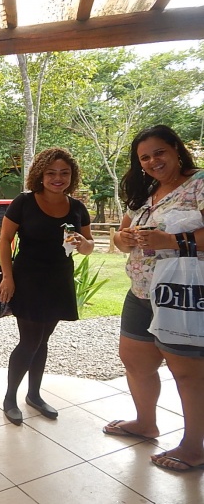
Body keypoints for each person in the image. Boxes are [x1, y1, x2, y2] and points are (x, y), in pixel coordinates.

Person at [106, 124, 204, 472]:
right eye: (144, 158)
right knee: (135, 361)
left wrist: (173, 242)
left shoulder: (199, 184)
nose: (152, 161)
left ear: (176, 148)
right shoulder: (146, 191)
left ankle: (194, 446)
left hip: (181, 295)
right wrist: (123, 239)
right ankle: (145, 423)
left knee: (187, 373)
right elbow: (120, 235)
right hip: (141, 292)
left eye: (159, 152)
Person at [0, 147, 94, 426]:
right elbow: (5, 240)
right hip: (27, 279)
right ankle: (9, 398)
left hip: (58, 280)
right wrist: (7, 277)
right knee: (29, 341)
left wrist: (82, 243)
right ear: (40, 175)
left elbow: (88, 247)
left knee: (43, 341)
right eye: (51, 173)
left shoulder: (77, 208)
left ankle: (34, 395)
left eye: (64, 173)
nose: (58, 178)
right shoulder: (24, 202)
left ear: (72, 176)